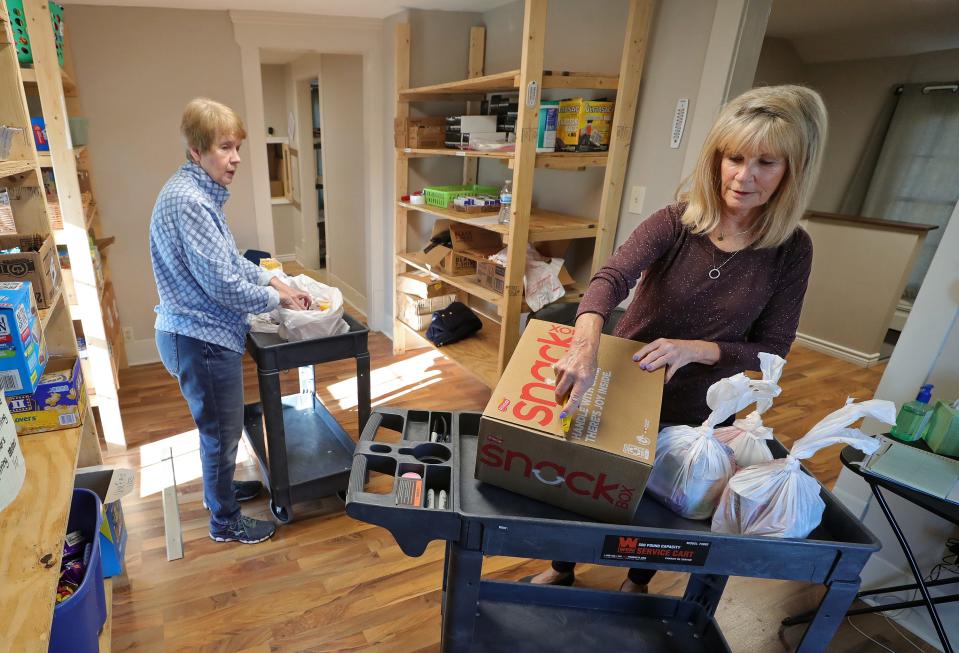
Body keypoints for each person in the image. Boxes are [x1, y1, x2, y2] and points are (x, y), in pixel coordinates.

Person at [529, 84, 828, 590]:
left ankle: (639, 582)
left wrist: (696, 351)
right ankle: (563, 568)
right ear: (716, 158)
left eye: (766, 163)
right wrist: (584, 344)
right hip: (627, 383)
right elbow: (609, 280)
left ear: (791, 173)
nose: (743, 176)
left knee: (665, 508)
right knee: (589, 489)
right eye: (733, 157)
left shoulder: (791, 250)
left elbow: (773, 349)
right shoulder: (675, 222)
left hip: (703, 407)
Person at [150, 98, 311, 545]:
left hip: (192, 333)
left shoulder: (197, 194)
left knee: (219, 430)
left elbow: (234, 264)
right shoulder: (191, 204)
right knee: (220, 434)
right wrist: (274, 301)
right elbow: (224, 285)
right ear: (197, 151)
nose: (236, 157)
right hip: (199, 338)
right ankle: (224, 521)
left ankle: (218, 493)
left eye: (237, 146)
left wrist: (276, 282)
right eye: (225, 147)